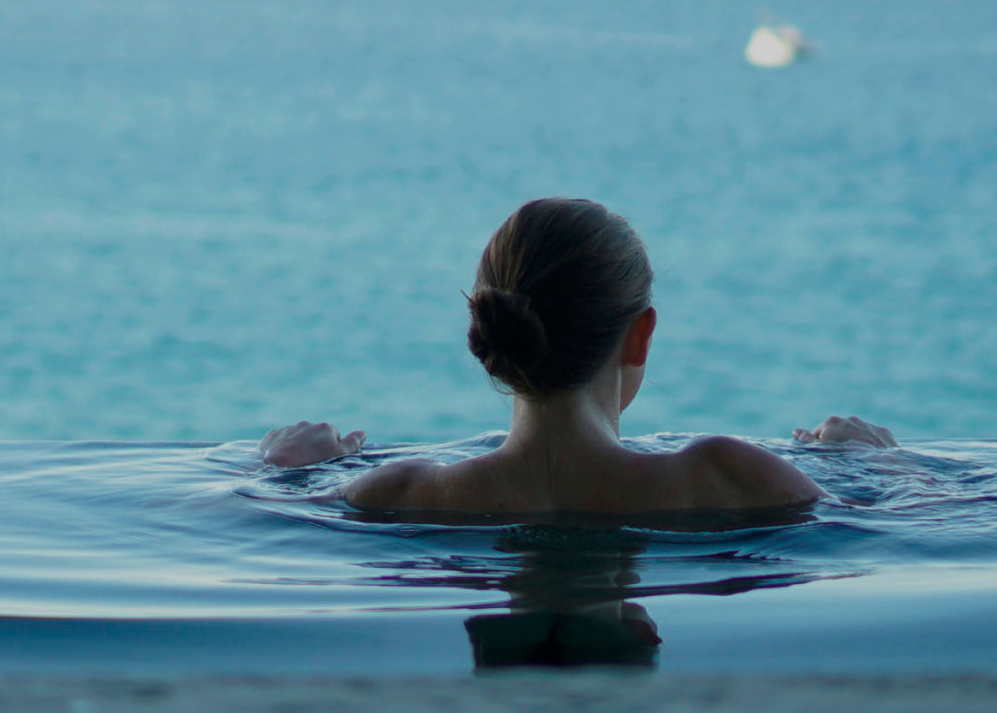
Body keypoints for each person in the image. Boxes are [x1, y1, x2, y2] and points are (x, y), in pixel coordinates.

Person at [260, 198, 896, 515]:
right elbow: (914, 524)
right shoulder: (728, 478)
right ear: (640, 335)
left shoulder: (398, 494)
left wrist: (289, 471)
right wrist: (881, 466)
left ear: (489, 336)